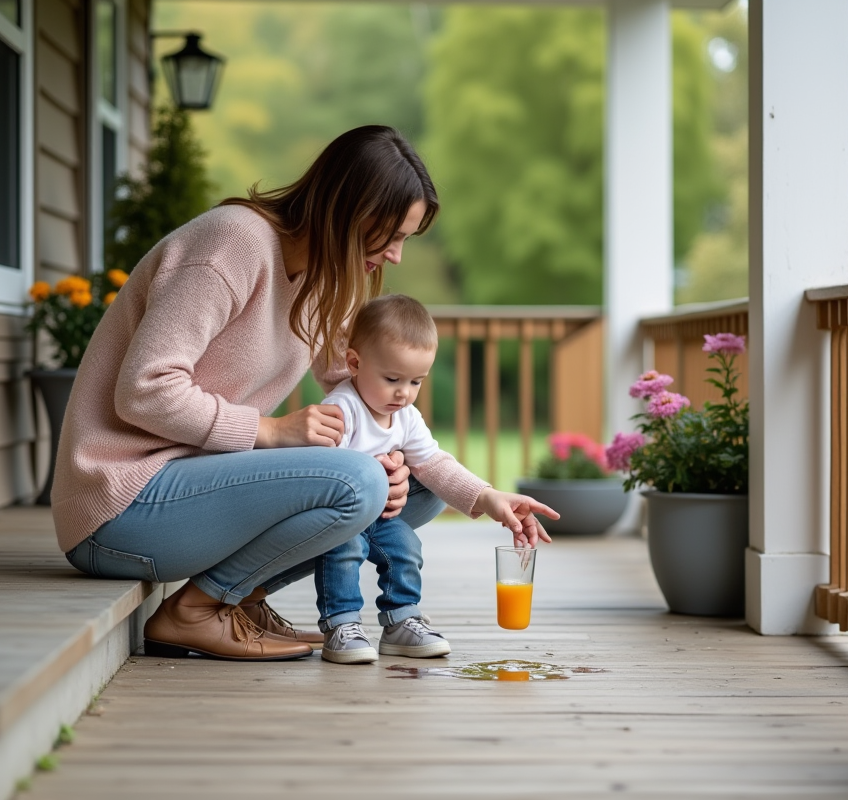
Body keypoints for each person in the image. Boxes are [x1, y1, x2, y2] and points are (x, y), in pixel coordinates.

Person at [51, 125, 555, 662]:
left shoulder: (323, 274)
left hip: (195, 487)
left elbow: (355, 382)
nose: (396, 256)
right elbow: (144, 390)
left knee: (413, 483)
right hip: (122, 505)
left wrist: (480, 494)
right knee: (361, 480)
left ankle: (242, 598)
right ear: (348, 210)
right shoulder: (233, 244)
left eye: (405, 238)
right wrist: (269, 430)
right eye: (390, 235)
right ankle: (194, 610)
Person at [315, 295, 556, 664]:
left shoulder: (406, 415)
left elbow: (434, 464)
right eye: (392, 379)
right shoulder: (341, 409)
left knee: (406, 546)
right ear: (354, 363)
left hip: (380, 517)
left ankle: (400, 621)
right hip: (342, 519)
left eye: (416, 381)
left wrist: (488, 497)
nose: (404, 392)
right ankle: (341, 624)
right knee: (343, 551)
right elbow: (322, 473)